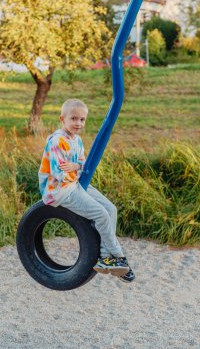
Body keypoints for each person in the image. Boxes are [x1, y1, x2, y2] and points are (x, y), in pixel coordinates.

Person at [38, 99, 135, 283]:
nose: (78, 123)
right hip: (60, 190)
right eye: (73, 118)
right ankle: (118, 255)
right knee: (101, 214)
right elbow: (59, 173)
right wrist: (77, 167)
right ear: (62, 119)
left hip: (75, 182)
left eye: (82, 120)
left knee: (111, 210)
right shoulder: (57, 141)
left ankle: (106, 257)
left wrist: (76, 166)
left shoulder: (77, 140)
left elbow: (83, 164)